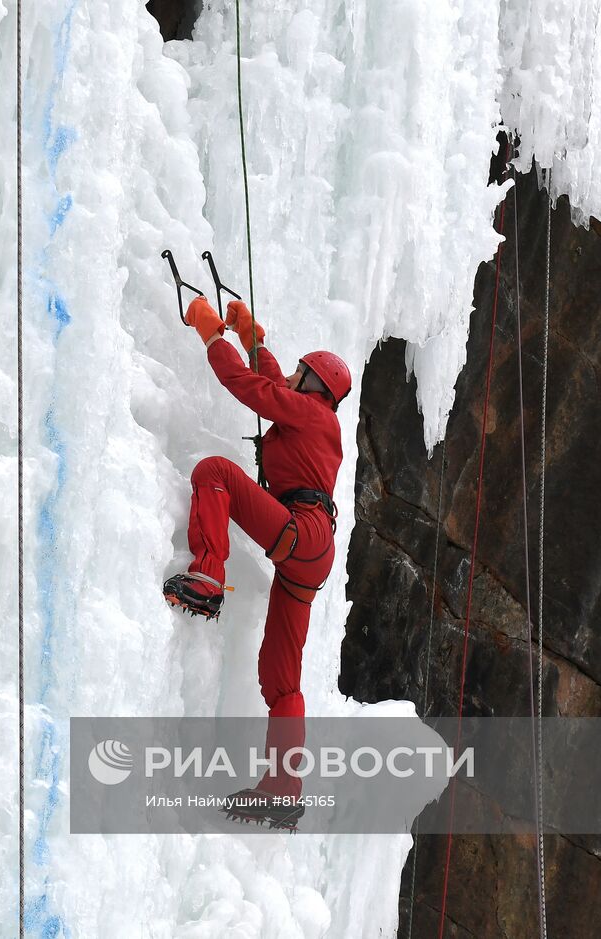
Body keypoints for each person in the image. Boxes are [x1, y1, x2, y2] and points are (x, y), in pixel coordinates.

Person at [162, 295, 350, 811]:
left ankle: (206, 579)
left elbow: (252, 390)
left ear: (315, 386)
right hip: (311, 549)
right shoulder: (314, 414)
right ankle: (283, 790)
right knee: (279, 676)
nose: (292, 375)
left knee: (215, 473)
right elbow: (274, 385)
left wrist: (215, 338)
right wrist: (254, 340)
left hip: (302, 532)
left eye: (300, 372)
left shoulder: (312, 414)